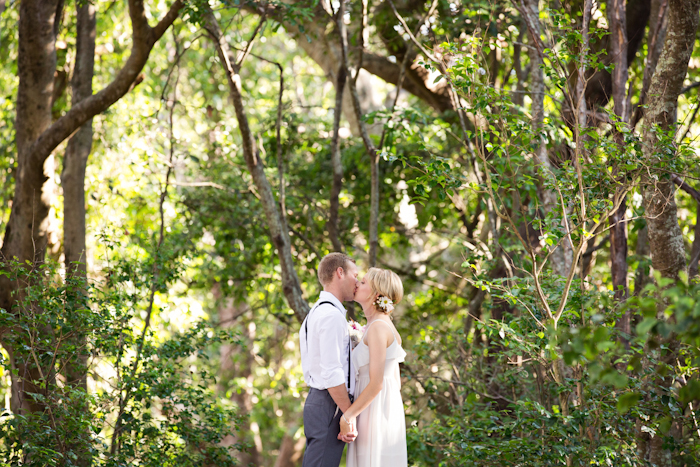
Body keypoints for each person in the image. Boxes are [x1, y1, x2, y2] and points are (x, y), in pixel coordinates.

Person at [342, 267, 408, 467]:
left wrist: (348, 416)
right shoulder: (375, 325)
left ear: (375, 294)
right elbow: (394, 381)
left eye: (362, 283)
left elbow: (378, 383)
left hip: (376, 411)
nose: (357, 284)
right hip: (374, 407)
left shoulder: (379, 327)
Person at [300, 252, 359, 467]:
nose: (358, 281)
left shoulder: (317, 312)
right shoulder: (330, 316)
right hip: (330, 402)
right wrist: (348, 414)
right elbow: (332, 372)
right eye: (355, 274)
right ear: (340, 272)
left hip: (322, 401)